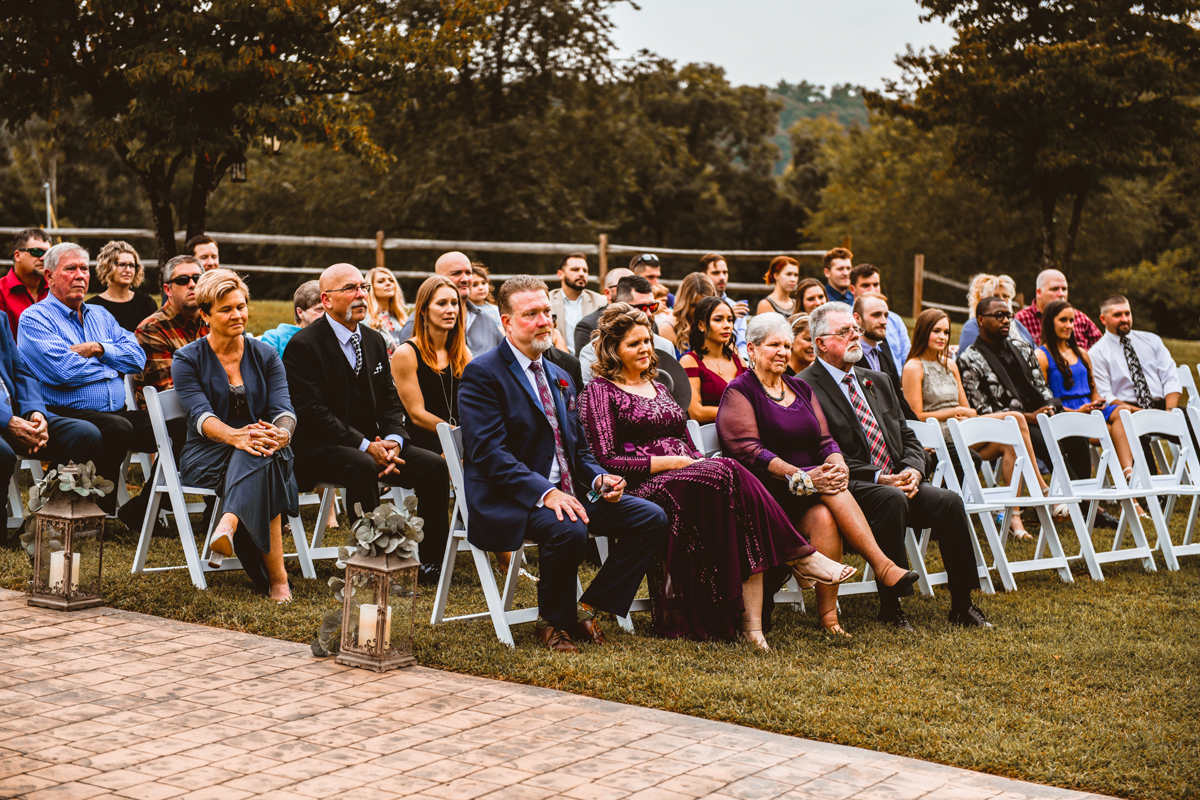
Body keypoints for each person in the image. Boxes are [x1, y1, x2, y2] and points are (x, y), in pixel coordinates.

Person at [579, 304, 857, 647]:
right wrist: (675, 464)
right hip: (640, 488)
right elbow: (606, 459)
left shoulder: (660, 389)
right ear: (613, 349)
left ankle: (754, 620)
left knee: (728, 477)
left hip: (688, 480)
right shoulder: (599, 391)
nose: (646, 350)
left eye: (647, 342)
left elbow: (689, 447)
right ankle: (800, 555)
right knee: (728, 467)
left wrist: (693, 463)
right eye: (634, 344)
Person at [457, 275, 670, 653]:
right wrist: (546, 492)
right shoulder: (483, 373)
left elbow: (580, 450)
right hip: (512, 498)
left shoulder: (560, 374)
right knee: (567, 528)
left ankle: (586, 605)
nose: (544, 322)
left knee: (650, 517)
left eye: (548, 313)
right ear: (506, 322)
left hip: (570, 495)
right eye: (532, 314)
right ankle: (552, 623)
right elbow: (489, 453)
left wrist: (602, 478)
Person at [719, 313, 922, 637]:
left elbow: (825, 440)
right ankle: (882, 566)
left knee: (825, 514)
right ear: (752, 349)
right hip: (768, 492)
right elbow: (749, 450)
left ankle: (829, 619)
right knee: (830, 487)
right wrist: (801, 475)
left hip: (812, 488)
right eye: (774, 345)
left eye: (787, 345)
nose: (783, 352)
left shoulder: (798, 388)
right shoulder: (740, 391)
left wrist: (837, 463)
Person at [800, 302, 994, 631]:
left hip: (900, 480)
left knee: (949, 502)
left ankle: (963, 604)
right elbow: (816, 452)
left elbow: (908, 435)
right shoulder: (804, 387)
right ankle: (892, 607)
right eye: (844, 332)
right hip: (851, 487)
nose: (855, 338)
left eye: (855, 331)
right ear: (820, 343)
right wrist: (879, 477)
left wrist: (913, 470)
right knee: (890, 499)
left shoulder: (878, 379)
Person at [284, 263, 451, 585]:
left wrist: (394, 441)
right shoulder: (304, 346)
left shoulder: (373, 341)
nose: (361, 294)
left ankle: (432, 564)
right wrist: (366, 446)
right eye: (350, 289)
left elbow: (391, 402)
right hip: (315, 449)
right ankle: (374, 561)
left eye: (363, 287)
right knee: (360, 463)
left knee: (432, 466)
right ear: (327, 300)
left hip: (375, 445)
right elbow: (313, 412)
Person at [172, 270, 298, 601]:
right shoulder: (187, 359)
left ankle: (228, 523)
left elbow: (284, 408)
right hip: (206, 453)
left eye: (241, 306)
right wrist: (236, 437)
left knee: (259, 452)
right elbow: (200, 416)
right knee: (260, 456)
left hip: (262, 448)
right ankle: (278, 580)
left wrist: (282, 435)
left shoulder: (265, 354)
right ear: (205, 315)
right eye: (226, 309)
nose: (237, 315)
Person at [18, 243, 152, 518]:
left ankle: (144, 509)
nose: (81, 275)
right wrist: (113, 366)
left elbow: (138, 358)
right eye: (70, 269)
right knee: (116, 428)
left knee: (176, 425)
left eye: (84, 269)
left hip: (115, 412)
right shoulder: (34, 319)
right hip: (64, 413)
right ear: (49, 276)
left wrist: (98, 349)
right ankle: (91, 516)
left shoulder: (101, 315)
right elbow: (63, 371)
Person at [957, 297, 1115, 526]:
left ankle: (1080, 501)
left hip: (1039, 415)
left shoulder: (1022, 348)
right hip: (1007, 423)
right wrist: (1029, 417)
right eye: (998, 315)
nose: (1006, 320)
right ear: (981, 320)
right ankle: (1087, 507)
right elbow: (982, 408)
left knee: (1076, 436)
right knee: (1046, 440)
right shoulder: (969, 359)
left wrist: (1050, 407)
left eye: (1008, 315)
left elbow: (1042, 386)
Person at [903, 308, 1052, 539]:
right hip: (937, 434)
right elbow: (915, 417)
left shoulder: (950, 365)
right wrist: (952, 412)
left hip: (963, 429)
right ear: (923, 332)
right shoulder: (913, 367)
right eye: (936, 331)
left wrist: (964, 413)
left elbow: (969, 408)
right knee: (1016, 418)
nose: (943, 337)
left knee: (1010, 444)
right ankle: (1041, 487)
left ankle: (1015, 519)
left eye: (946, 332)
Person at [0, 309, 102, 545]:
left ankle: (41, 524)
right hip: (6, 420)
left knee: (84, 434)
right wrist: (7, 421)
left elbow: (21, 372)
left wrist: (35, 413)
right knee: (2, 453)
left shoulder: (1, 317)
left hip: (17, 413)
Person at [1035, 300, 1146, 515]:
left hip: (1091, 411)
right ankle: (1131, 501)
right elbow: (1045, 400)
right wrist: (1079, 412)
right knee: (1117, 429)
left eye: (1072, 321)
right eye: (1063, 320)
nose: (1069, 325)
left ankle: (1127, 473)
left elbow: (1093, 389)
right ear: (1050, 322)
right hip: (1066, 415)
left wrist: (1096, 404)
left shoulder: (1081, 353)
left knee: (1122, 412)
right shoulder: (1042, 356)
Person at [391, 276, 470, 456]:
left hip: (462, 436)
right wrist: (459, 436)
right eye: (441, 304)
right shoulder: (407, 353)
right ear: (424, 310)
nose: (451, 310)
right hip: (424, 441)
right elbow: (417, 415)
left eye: (454, 303)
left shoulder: (463, 352)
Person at [135, 255, 208, 406]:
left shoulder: (212, 321)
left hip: (209, 409)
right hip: (166, 419)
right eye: (182, 280)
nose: (192, 284)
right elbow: (169, 392)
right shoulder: (151, 330)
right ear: (168, 289)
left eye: (197, 278)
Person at [1089, 295, 1182, 413]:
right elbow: (1106, 397)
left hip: (1164, 407)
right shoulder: (1097, 353)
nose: (1124, 319)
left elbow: (1171, 379)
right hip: (1128, 411)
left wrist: (1170, 410)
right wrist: (1143, 414)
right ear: (1103, 319)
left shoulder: (1152, 340)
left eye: (1127, 313)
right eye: (1117, 315)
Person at [397, 252, 504, 355]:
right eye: (456, 273)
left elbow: (506, 357)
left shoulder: (486, 318)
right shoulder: (417, 323)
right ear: (438, 278)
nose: (465, 279)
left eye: (468, 273)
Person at [578, 276, 674, 386]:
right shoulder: (592, 352)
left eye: (652, 306)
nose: (649, 314)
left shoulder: (666, 346)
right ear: (621, 306)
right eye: (641, 308)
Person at [680, 296, 745, 423]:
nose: (726, 325)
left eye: (730, 320)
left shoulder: (737, 359)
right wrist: (741, 412)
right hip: (708, 436)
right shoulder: (690, 361)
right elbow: (696, 412)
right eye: (718, 320)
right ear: (701, 325)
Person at [853, 293, 915, 420]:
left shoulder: (887, 360)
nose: (884, 321)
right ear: (857, 319)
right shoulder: (849, 361)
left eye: (886, 315)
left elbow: (900, 404)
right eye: (876, 315)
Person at [1015, 268, 1102, 348]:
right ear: (1039, 292)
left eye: (1064, 289)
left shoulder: (1080, 318)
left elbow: (1101, 349)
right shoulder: (1021, 320)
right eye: (1054, 289)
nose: (1061, 294)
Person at [86, 241, 157, 333]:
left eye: (131, 265)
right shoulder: (92, 307)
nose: (128, 270)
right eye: (122, 265)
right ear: (108, 267)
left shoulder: (146, 304)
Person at [848, 264, 910, 367]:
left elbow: (906, 357)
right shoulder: (846, 319)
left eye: (876, 285)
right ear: (853, 289)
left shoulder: (895, 320)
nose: (872, 289)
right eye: (866, 285)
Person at [957, 273, 1034, 352]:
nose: (1002, 300)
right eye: (996, 296)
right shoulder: (972, 327)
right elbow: (968, 360)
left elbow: (1035, 352)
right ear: (982, 301)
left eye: (1005, 296)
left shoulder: (1017, 324)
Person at [549, 253, 606, 349]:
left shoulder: (601, 302)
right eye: (575, 269)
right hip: (557, 360)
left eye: (585, 270)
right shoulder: (548, 301)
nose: (581, 274)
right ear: (560, 274)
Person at [1, 228, 50, 338]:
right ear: (18, 256)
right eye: (36, 252)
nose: (43, 258)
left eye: (48, 253)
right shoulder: (1, 292)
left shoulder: (56, 289)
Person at [573, 267, 633, 356]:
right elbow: (585, 366)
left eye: (635, 287)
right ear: (608, 293)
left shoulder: (646, 317)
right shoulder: (587, 326)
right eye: (624, 287)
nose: (632, 292)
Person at [260, 280, 323, 359]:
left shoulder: (332, 338)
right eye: (319, 309)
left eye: (329, 310)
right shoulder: (275, 338)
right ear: (300, 312)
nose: (326, 315)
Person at [699, 253, 747, 355]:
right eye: (716, 273)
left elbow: (742, 344)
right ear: (703, 275)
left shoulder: (736, 306)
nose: (722, 277)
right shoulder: (695, 304)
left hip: (734, 361)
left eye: (725, 272)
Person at [668, 272, 718, 354]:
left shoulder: (719, 327)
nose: (699, 311)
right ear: (684, 304)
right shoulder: (669, 329)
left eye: (705, 305)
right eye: (693, 306)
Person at [364, 267, 408, 357]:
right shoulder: (364, 320)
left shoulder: (402, 318)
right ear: (370, 287)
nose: (388, 283)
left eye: (391, 280)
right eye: (381, 281)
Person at [469, 263, 503, 333]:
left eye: (484, 283)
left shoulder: (496, 310)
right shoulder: (465, 312)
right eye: (475, 285)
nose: (481, 288)